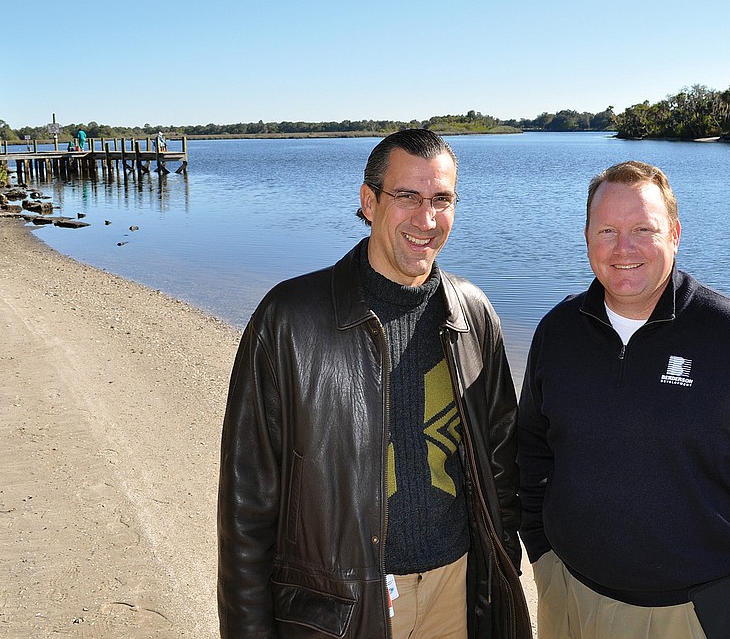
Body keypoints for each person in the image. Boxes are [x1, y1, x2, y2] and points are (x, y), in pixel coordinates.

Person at [218, 129, 531, 639]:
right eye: (407, 196)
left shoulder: (472, 314)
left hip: (456, 592)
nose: (426, 220)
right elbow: (246, 510)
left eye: (441, 200)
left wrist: (501, 573)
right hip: (342, 607)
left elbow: (501, 467)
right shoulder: (291, 320)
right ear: (369, 201)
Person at [518, 161, 730, 639]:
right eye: (608, 230)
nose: (624, 248)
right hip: (570, 596)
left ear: (675, 234)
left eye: (643, 229)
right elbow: (532, 452)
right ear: (586, 236)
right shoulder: (559, 332)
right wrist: (540, 551)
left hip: (695, 612)